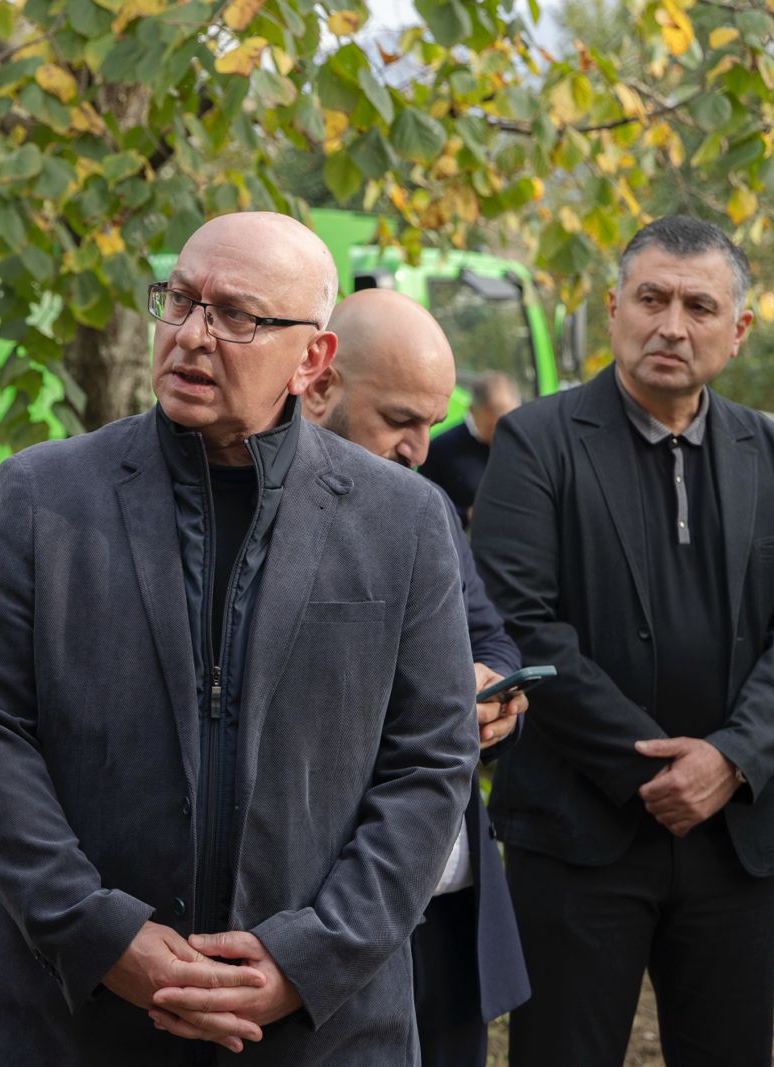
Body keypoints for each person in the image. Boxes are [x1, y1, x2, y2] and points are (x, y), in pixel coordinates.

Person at [0, 212, 477, 1064]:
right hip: (71, 1017)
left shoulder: (402, 521)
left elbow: (430, 762)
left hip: (319, 1029)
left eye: (237, 316)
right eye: (180, 300)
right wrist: (102, 936)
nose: (192, 335)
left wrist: (310, 956)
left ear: (313, 359)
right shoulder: (45, 497)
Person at [471, 215, 774, 1067]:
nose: (672, 324)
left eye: (699, 306)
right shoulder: (538, 440)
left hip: (734, 835)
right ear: (613, 309)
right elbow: (520, 619)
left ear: (737, 330)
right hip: (577, 829)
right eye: (652, 298)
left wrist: (729, 758)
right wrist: (652, 771)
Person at [302, 289, 530, 1067]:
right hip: (326, 914)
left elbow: (491, 635)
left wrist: (497, 690)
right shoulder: (267, 516)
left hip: (449, 906)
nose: (420, 449)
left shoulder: (427, 505)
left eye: (432, 424)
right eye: (400, 419)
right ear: (321, 384)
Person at [420, 371, 520, 527]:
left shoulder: (524, 444)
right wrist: (467, 515)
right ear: (472, 411)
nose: (500, 436)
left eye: (507, 427)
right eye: (491, 428)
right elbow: (422, 509)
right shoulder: (440, 449)